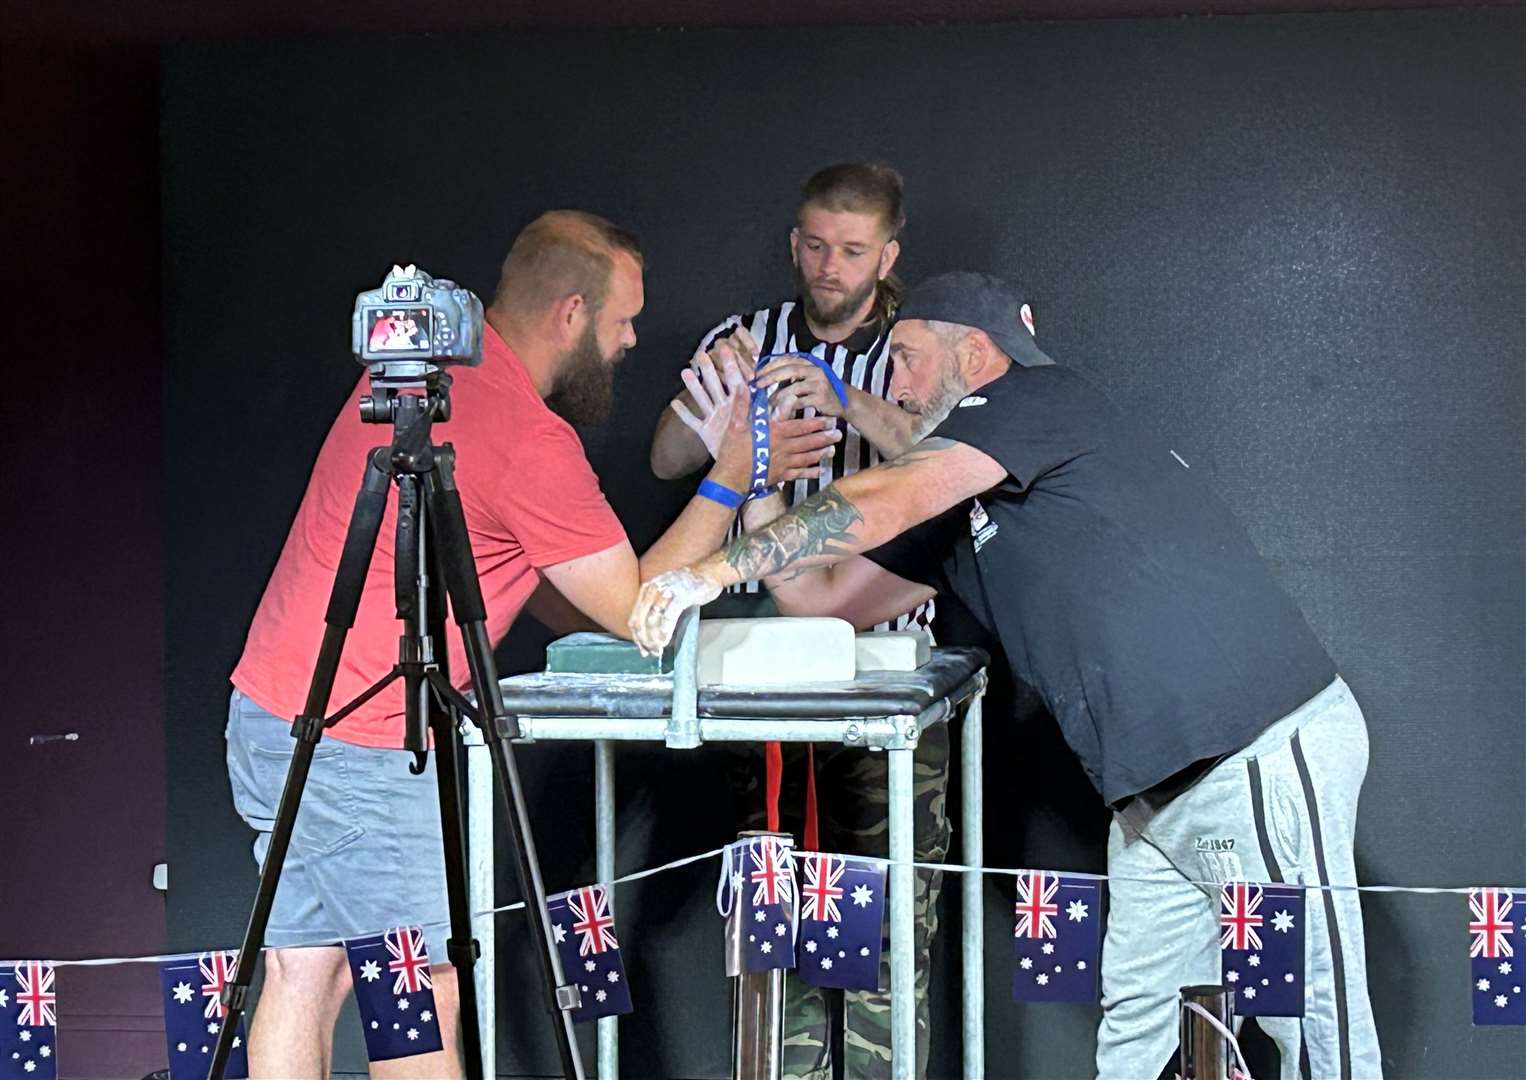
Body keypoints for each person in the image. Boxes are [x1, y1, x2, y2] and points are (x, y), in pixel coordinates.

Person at [629, 271, 1383, 1080]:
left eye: (912, 360)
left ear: (977, 354)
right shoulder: (958, 506)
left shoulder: (1036, 400)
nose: (899, 384)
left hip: (1250, 748)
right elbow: (823, 604)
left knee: (1309, 1017)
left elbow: (885, 491)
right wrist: (754, 485)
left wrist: (706, 574)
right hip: (1155, 792)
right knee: (1138, 1030)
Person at [225, 210, 839, 1078]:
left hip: (270, 714)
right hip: (364, 742)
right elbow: (634, 611)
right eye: (623, 321)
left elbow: (563, 602)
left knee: (303, 967)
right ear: (572, 313)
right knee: (416, 986)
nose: (630, 343)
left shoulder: (423, 382)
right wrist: (736, 473)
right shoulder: (523, 435)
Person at [649, 162, 951, 1080]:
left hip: (883, 653)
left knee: (887, 900)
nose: (830, 265)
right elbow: (664, 455)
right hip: (767, 659)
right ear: (793, 241)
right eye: (816, 244)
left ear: (888, 253)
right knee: (772, 892)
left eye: (853, 250)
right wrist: (732, 428)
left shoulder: (918, 344)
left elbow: (955, 455)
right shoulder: (747, 336)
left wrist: (846, 398)